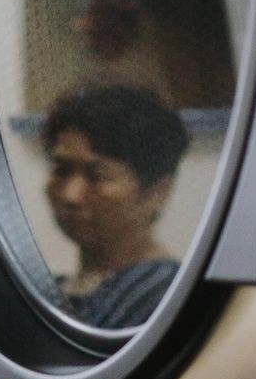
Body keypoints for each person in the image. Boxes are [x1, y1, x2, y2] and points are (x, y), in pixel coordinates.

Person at [35, 83, 193, 330]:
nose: (70, 195)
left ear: (158, 190)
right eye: (61, 170)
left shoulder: (166, 295)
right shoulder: (49, 290)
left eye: (97, 176)